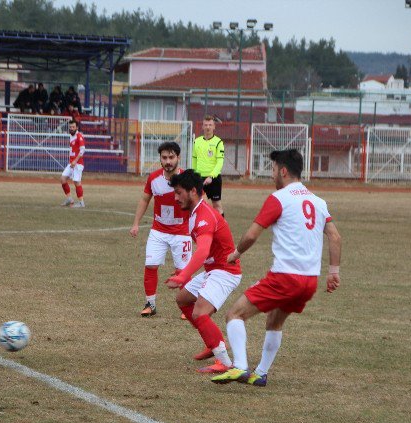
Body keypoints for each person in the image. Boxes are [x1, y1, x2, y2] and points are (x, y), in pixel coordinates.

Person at [211, 149, 342, 387]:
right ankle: (260, 373)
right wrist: (333, 272)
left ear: (283, 171)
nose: (272, 176)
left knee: (234, 315)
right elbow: (335, 237)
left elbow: (252, 234)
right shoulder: (318, 201)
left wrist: (236, 253)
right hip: (309, 282)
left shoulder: (279, 199)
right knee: (275, 320)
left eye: (272, 170)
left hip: (285, 278)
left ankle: (240, 366)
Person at [166, 169, 242, 373]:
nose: (175, 198)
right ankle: (213, 343)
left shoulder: (204, 215)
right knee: (183, 299)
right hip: (214, 269)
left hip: (226, 271)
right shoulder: (195, 212)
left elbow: (202, 251)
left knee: (200, 312)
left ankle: (224, 362)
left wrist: (183, 275)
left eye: (179, 193)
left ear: (192, 191)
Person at [130, 142, 191, 318]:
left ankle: (187, 308)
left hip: (182, 232)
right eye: (164, 158)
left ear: (178, 158)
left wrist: (200, 229)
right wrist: (135, 223)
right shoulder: (154, 178)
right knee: (150, 265)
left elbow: (200, 203)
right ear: (160, 159)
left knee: (183, 270)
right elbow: (144, 200)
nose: (168, 161)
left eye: (171, 157)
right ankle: (150, 304)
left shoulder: (187, 179)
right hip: (158, 231)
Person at [192, 115, 225, 217]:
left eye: (210, 125)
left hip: (214, 179)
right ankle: (203, 228)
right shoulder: (196, 141)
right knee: (199, 205)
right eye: (205, 125)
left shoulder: (218, 142)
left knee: (217, 205)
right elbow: (194, 159)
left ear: (214, 127)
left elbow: (220, 162)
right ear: (202, 127)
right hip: (199, 178)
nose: (208, 127)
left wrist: (211, 176)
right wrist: (194, 175)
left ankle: (222, 229)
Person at [60, 120, 86, 208]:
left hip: (77, 164)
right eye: (70, 127)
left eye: (73, 127)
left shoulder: (79, 136)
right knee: (63, 179)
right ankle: (69, 199)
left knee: (76, 182)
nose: (71, 129)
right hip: (71, 163)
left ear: (77, 128)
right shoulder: (71, 136)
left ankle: (81, 202)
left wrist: (75, 160)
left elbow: (82, 150)